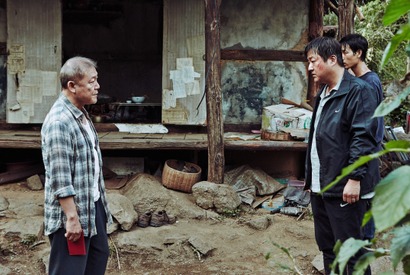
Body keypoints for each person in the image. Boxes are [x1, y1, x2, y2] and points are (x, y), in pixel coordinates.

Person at [304, 37, 380, 275]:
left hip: (346, 188)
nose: (309, 67)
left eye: (313, 61)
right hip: (322, 186)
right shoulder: (323, 94)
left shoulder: (359, 91)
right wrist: (311, 179)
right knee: (328, 248)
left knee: (353, 252)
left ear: (332, 59)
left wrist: (355, 179)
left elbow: (364, 137)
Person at [41, 56, 112, 275]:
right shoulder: (59, 122)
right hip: (72, 214)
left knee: (97, 259)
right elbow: (60, 179)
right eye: (91, 81)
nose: (97, 86)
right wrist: (71, 218)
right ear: (72, 86)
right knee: (69, 270)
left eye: (96, 80)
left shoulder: (81, 114)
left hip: (92, 204)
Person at [340, 33, 384, 241]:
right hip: (362, 149)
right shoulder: (355, 80)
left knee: (367, 196)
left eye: (345, 52)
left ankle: (366, 240)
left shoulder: (370, 82)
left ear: (358, 53)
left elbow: (370, 124)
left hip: (368, 149)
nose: (342, 57)